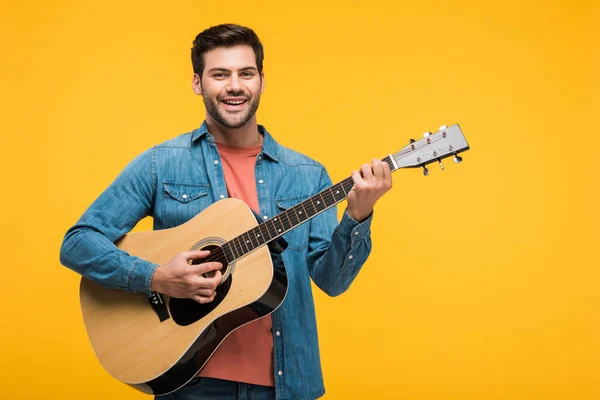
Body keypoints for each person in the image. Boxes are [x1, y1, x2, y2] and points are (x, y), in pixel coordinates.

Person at [60, 23, 392, 400]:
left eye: (245, 73)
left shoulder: (307, 175)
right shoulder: (160, 165)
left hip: (286, 384)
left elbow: (332, 282)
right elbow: (78, 243)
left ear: (262, 81)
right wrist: (156, 277)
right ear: (198, 83)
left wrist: (357, 218)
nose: (235, 86)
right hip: (191, 381)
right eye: (220, 74)